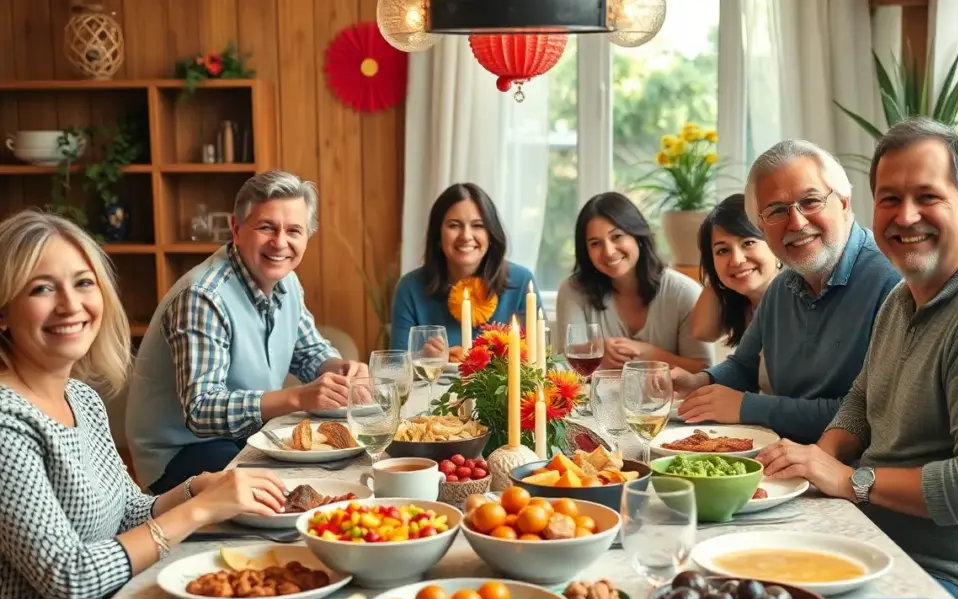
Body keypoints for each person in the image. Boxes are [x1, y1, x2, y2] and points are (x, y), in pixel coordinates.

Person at [758, 118, 958, 599]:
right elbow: (861, 400)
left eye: (927, 196)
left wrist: (850, 481)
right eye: (890, 199)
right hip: (890, 552)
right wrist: (815, 460)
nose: (905, 217)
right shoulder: (905, 296)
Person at [0, 210, 288, 599]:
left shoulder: (82, 399)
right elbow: (71, 579)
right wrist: (200, 510)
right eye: (41, 288)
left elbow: (128, 511)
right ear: (3, 311)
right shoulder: (7, 423)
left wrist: (198, 486)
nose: (71, 305)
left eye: (82, 283)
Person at [126, 171, 368, 494]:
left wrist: (339, 369)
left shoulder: (286, 282)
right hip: (179, 453)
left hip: (242, 437)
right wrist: (296, 397)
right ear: (237, 230)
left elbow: (310, 352)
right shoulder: (204, 297)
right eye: (266, 227)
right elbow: (200, 409)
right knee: (281, 491)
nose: (280, 242)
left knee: (330, 470)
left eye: (294, 230)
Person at [671, 140, 902, 443]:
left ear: (844, 202)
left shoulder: (892, 282)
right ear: (761, 226)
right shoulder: (782, 286)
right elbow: (744, 366)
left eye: (810, 201)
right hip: (783, 455)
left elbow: (870, 416)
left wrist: (748, 407)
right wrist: (698, 382)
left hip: (854, 474)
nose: (797, 222)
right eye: (777, 210)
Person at [555, 192, 716, 372]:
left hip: (670, 400)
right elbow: (561, 367)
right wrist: (596, 352)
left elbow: (704, 371)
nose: (608, 251)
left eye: (617, 236)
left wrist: (650, 354)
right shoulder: (573, 291)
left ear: (637, 237)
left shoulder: (684, 292)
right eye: (595, 243)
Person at [390, 182, 540, 356]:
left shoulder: (521, 282)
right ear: (438, 235)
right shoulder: (410, 287)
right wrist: (423, 358)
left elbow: (537, 360)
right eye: (454, 225)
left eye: (478, 225)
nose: (466, 236)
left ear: (490, 234)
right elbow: (396, 365)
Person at [689, 193, 781, 392]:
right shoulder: (746, 304)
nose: (737, 259)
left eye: (748, 242)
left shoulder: (799, 298)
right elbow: (702, 331)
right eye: (722, 250)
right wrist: (718, 275)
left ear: (775, 244)